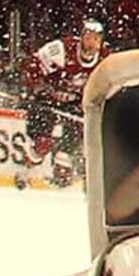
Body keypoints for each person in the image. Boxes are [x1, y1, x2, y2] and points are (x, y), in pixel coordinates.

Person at [23, 19, 103, 190]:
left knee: (69, 145)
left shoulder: (105, 59)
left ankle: (60, 179)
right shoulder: (60, 50)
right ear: (81, 37)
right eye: (89, 38)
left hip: (75, 105)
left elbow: (107, 87)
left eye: (96, 39)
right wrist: (40, 89)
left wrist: (90, 103)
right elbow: (32, 67)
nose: (92, 43)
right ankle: (24, 172)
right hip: (47, 100)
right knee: (42, 144)